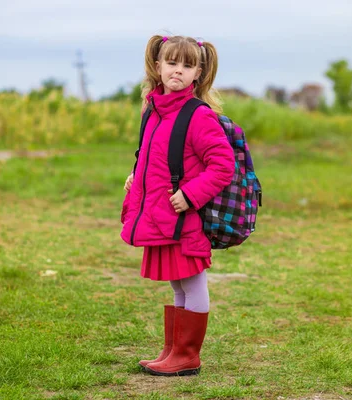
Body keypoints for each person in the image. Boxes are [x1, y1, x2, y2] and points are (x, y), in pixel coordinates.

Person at [120, 35, 234, 376]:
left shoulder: (197, 116)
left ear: (197, 73)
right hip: (161, 216)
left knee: (193, 281)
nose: (178, 71)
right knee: (177, 283)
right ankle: (173, 349)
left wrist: (191, 195)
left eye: (187, 65)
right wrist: (134, 176)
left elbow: (222, 164)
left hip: (185, 217)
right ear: (158, 66)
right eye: (172, 63)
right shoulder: (153, 110)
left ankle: (187, 355)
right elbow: (155, 156)